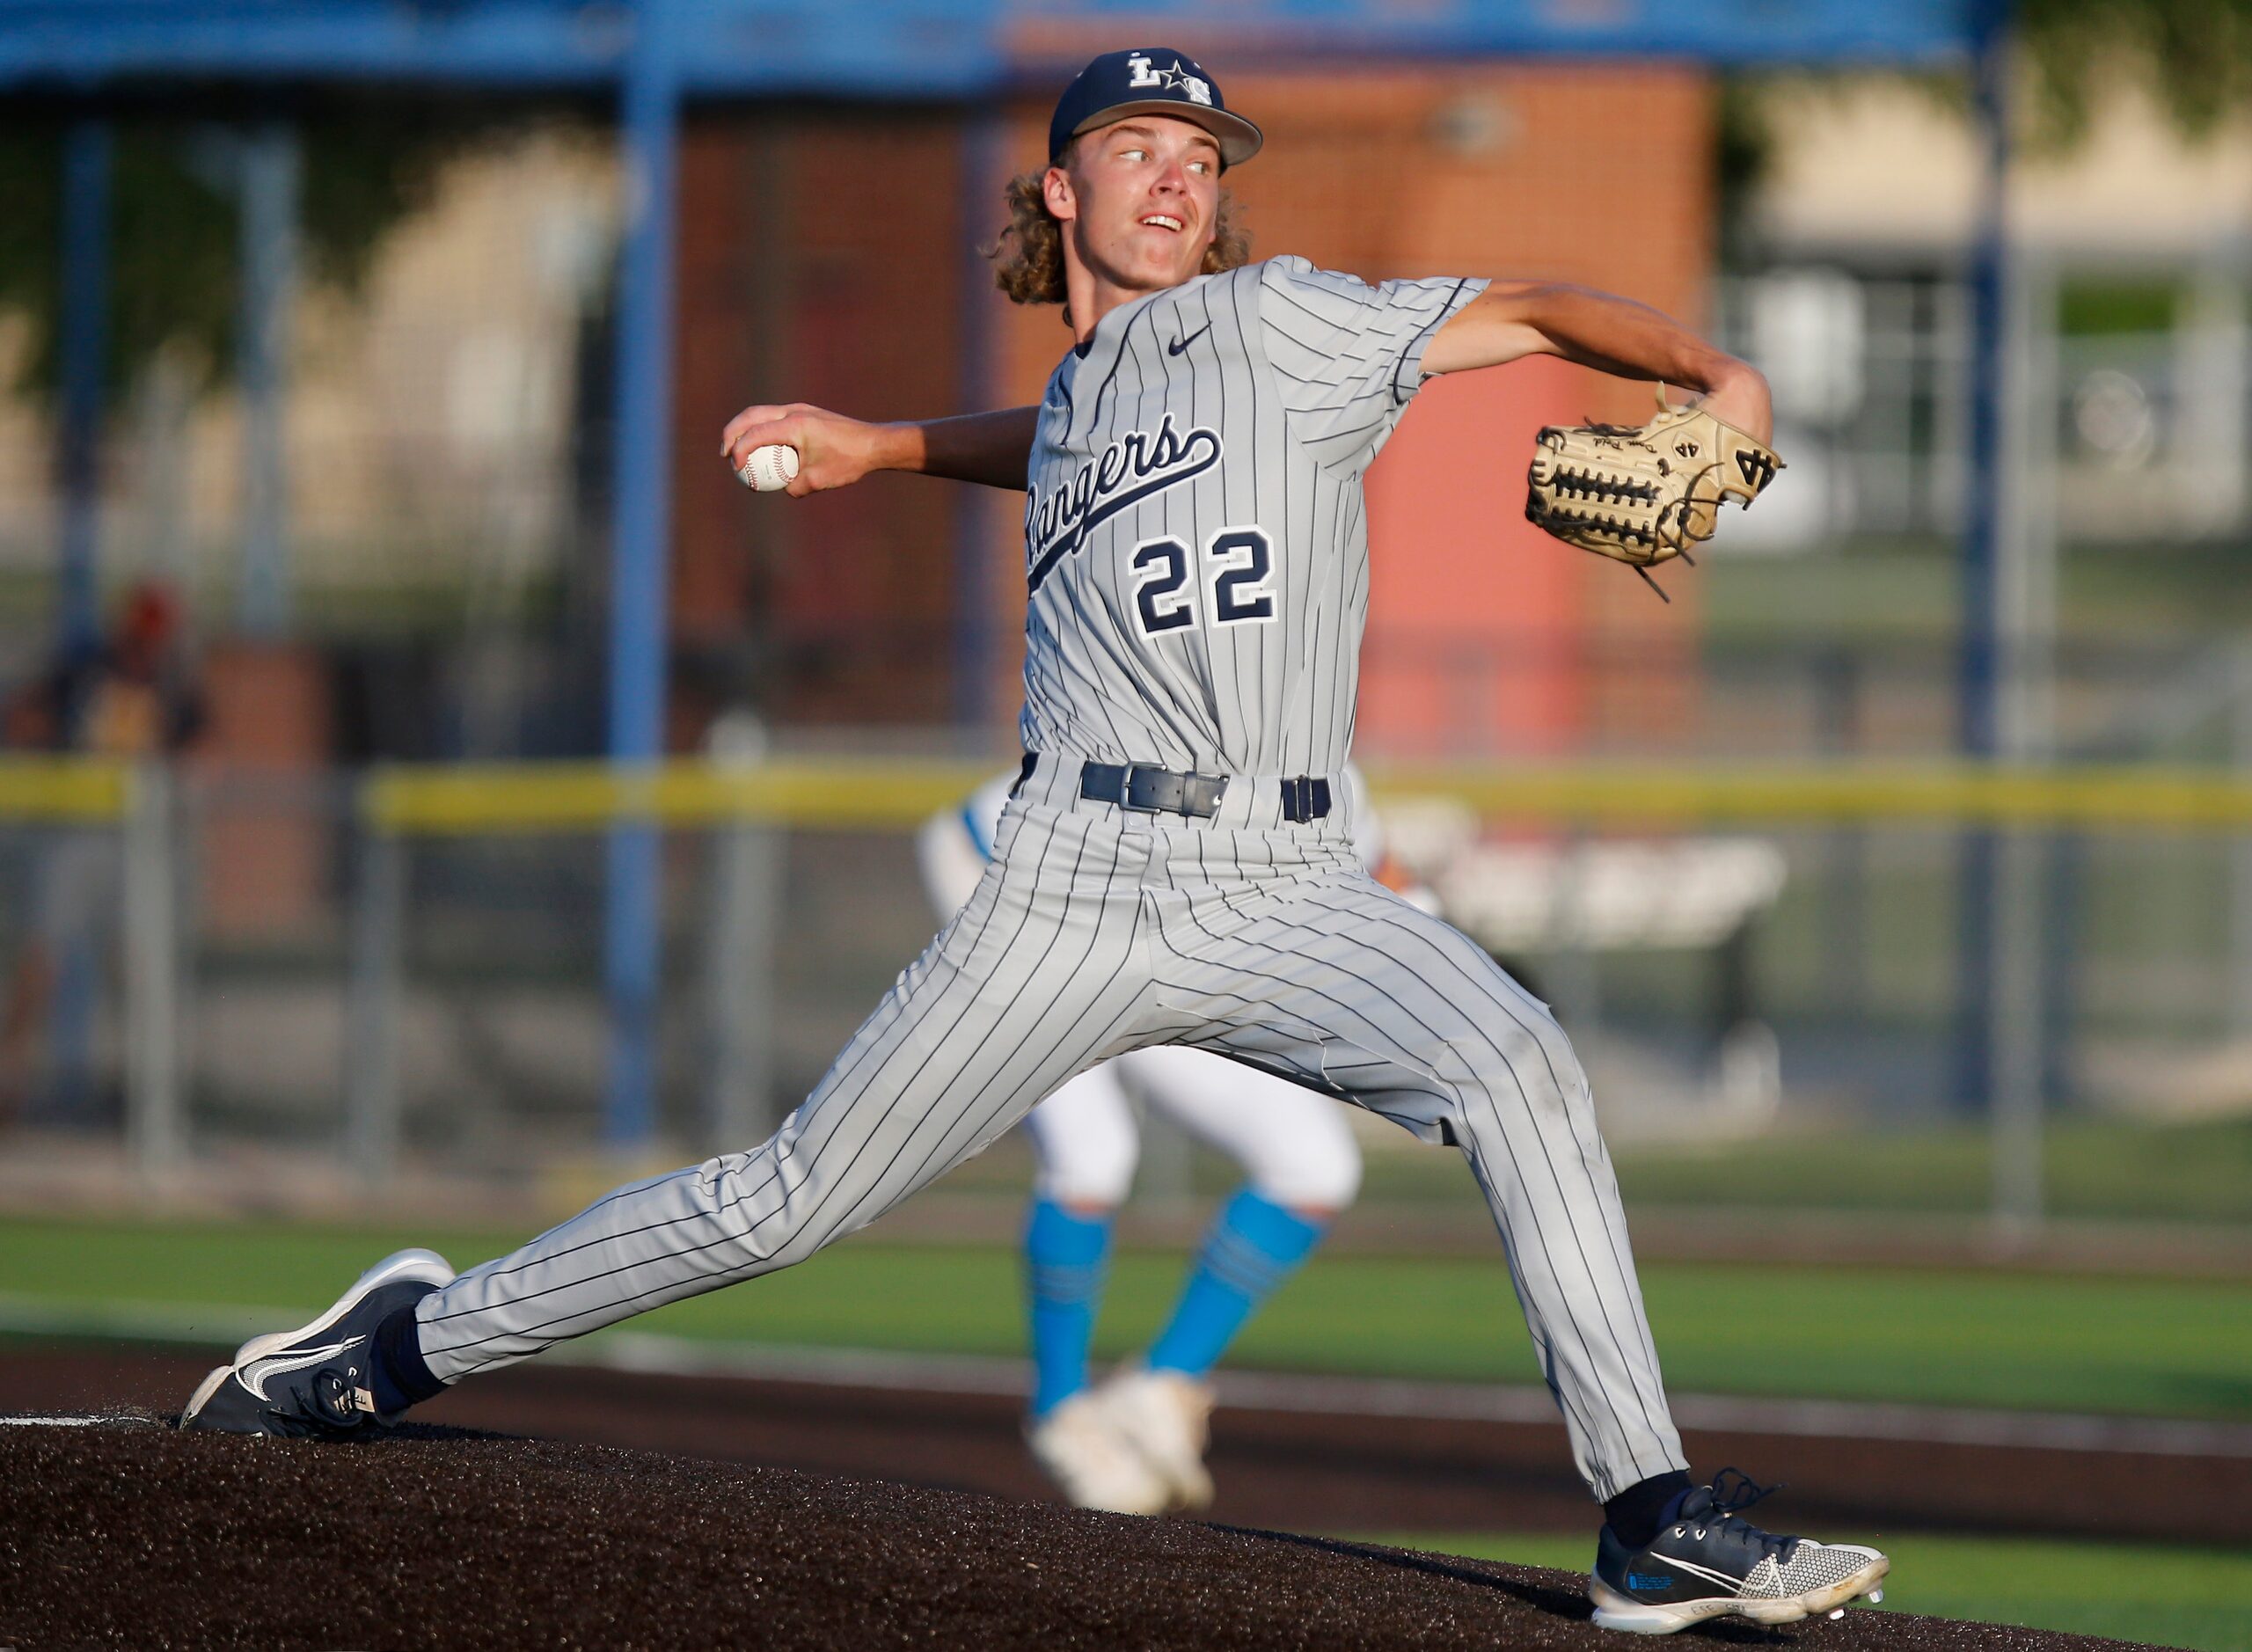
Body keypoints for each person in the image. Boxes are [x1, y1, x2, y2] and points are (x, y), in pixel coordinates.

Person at [182, 49, 1889, 1635]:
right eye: (1132, 150)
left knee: (1518, 1062)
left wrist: (1711, 373)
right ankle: (396, 1348)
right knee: (787, 1202)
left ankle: (1647, 1511)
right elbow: (1062, 450)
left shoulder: (1286, 326)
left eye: (1198, 158)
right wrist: (884, 446)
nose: (1172, 179)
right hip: (1067, 886)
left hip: (1280, 883)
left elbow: (1523, 310)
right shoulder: (1079, 389)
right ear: (1056, 192)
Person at [919, 769, 1398, 1515]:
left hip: (1146, 937)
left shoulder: (1339, 783)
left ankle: (1160, 1383)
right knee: (1093, 1151)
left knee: (1314, 1165)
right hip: (1006, 875)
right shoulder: (1205, 740)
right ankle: (1060, 1414)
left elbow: (1390, 903)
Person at [2, 581, 203, 1122]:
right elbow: (25, 717)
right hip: (75, 832)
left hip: (135, 842)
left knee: (137, 968)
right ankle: (10, 1082)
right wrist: (51, 742)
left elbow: (200, 748)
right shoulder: (86, 667)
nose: (148, 647)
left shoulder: (172, 682)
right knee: (41, 961)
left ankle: (150, 1101)